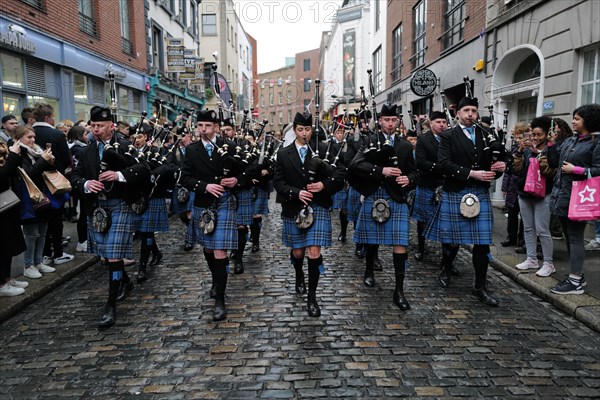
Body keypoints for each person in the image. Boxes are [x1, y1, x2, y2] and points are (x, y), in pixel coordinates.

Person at [71, 105, 152, 328]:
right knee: (107, 256)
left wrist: (118, 175)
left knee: (114, 255)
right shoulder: (86, 151)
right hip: (97, 208)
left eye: (100, 126)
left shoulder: (125, 146)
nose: (95, 130)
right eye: (93, 125)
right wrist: (86, 183)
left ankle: (110, 307)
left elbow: (144, 169)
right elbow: (74, 176)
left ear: (111, 126)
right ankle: (125, 282)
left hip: (119, 205)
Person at [425, 96, 506, 306]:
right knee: (452, 239)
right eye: (466, 110)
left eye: (474, 110)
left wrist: (499, 169)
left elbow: (495, 163)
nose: (470, 114)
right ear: (458, 113)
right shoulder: (449, 136)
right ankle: (446, 267)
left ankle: (480, 286)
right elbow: (444, 164)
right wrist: (472, 173)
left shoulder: (486, 134)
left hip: (479, 191)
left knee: (482, 242)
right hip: (457, 190)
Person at [180, 109, 250, 321]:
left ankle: (220, 298)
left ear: (216, 127)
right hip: (204, 203)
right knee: (209, 248)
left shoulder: (229, 146)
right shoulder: (191, 150)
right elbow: (185, 178)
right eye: (200, 126)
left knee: (220, 250)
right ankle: (215, 279)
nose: (203, 130)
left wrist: (237, 180)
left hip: (225, 202)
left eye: (208, 126)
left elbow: (249, 168)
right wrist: (204, 186)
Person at [274, 112, 345, 317]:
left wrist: (324, 184)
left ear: (311, 130)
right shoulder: (284, 153)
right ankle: (298, 273)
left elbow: (341, 173)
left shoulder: (325, 149)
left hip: (319, 205)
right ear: (294, 130)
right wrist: (296, 193)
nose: (304, 133)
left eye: (307, 129)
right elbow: (278, 182)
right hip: (294, 207)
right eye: (300, 129)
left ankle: (312, 297)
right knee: (299, 252)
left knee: (314, 251)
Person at [349, 104, 416, 311]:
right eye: (386, 120)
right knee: (371, 239)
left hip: (396, 198)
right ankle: (369, 270)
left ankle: (399, 290)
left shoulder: (405, 146)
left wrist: (409, 180)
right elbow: (355, 165)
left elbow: (415, 173)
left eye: (393, 120)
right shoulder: (369, 141)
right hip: (375, 193)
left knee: (401, 243)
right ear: (380, 121)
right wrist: (381, 170)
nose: (390, 123)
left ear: (398, 121)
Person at [549, 104, 600, 295]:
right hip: (562, 195)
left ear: (588, 121)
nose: (573, 121)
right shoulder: (572, 140)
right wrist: (552, 144)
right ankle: (576, 275)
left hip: (579, 198)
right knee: (569, 238)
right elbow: (555, 164)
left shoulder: (596, 143)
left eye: (577, 118)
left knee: (576, 238)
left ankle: (575, 281)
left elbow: (598, 170)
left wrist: (576, 170)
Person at [512, 116, 559, 276]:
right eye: (533, 134)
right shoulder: (526, 149)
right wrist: (519, 152)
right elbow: (516, 170)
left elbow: (550, 171)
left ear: (547, 134)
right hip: (524, 193)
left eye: (539, 135)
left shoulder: (551, 149)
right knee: (528, 228)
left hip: (543, 194)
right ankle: (531, 259)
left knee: (542, 230)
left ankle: (548, 263)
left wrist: (538, 154)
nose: (535, 138)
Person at [31, 103, 74, 266]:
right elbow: (65, 158)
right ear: (48, 117)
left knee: (41, 222)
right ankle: (58, 252)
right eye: (53, 117)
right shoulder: (55, 134)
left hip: (34, 182)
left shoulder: (28, 133)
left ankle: (44, 254)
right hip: (53, 182)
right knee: (55, 220)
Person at [14, 126, 57, 280]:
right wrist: (43, 161)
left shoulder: (37, 151)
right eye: (29, 137)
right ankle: (28, 265)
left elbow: (45, 172)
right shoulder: (18, 153)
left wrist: (50, 162)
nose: (32, 140)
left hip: (42, 196)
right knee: (31, 233)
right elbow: (28, 174)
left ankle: (38, 262)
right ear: (19, 138)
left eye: (33, 137)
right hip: (28, 198)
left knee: (43, 231)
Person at [132, 128, 172, 282]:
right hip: (137, 196)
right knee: (143, 231)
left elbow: (167, 167)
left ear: (146, 137)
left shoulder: (156, 150)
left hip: (154, 194)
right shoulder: (130, 152)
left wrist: (154, 174)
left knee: (147, 231)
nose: (136, 140)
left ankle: (142, 267)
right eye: (134, 137)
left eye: (139, 136)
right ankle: (156, 252)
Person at [221, 118, 257, 274]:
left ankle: (239, 259)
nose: (225, 132)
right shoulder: (217, 146)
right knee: (227, 225)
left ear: (234, 130)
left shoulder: (245, 146)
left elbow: (253, 167)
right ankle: (233, 249)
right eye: (222, 130)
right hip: (224, 190)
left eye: (228, 129)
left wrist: (239, 180)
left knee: (241, 225)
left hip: (242, 188)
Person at [413, 111, 447, 262]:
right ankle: (421, 248)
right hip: (427, 184)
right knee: (423, 219)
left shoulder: (450, 138)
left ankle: (446, 256)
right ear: (431, 123)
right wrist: (443, 167)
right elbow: (420, 162)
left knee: (446, 221)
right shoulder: (423, 139)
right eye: (438, 122)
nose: (441, 125)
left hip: (446, 185)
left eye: (444, 122)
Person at [0, 140, 28, 296]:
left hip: (7, 204)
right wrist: (13, 156)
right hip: (2, 204)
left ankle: (7, 278)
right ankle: (2, 284)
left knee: (8, 244)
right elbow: (2, 175)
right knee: (3, 246)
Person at [501, 122, 528, 248]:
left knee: (524, 215)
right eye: (516, 137)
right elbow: (508, 170)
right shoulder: (513, 149)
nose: (517, 140)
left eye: (519, 137)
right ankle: (511, 237)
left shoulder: (528, 150)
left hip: (524, 184)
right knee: (512, 213)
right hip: (513, 185)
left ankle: (521, 239)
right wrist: (504, 187)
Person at [549, 117, 573, 240]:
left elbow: (555, 161)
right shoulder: (559, 141)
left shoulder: (567, 142)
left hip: (565, 181)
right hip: (558, 180)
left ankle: (557, 230)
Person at [68, 125, 89, 251]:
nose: (87, 136)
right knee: (84, 214)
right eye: (85, 133)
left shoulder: (76, 147)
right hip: (80, 183)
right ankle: (82, 241)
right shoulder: (78, 149)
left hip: (80, 183)